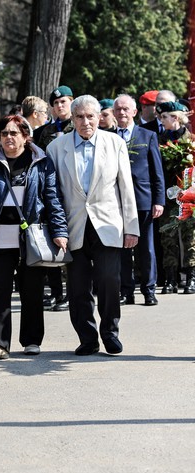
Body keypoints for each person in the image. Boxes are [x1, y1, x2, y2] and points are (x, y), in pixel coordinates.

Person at [0, 115, 68, 359]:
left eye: (14, 133)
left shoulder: (41, 162)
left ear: (25, 136)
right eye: (4, 134)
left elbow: (53, 199)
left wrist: (60, 231)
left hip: (30, 239)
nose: (8, 138)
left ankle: (32, 341)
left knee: (32, 291)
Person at [45, 95, 139, 356]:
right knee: (77, 286)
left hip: (108, 224)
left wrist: (131, 227)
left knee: (110, 280)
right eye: (80, 117)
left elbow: (125, 187)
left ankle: (110, 332)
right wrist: (56, 229)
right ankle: (87, 337)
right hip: (72, 226)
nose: (85, 122)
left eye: (90, 116)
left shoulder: (115, 143)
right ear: (72, 119)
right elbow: (53, 193)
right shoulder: (57, 147)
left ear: (99, 117)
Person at [113, 94, 165, 306]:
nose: (122, 113)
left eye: (126, 109)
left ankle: (149, 290)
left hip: (143, 200)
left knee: (146, 249)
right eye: (118, 109)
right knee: (123, 249)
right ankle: (127, 291)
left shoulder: (147, 135)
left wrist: (159, 200)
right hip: (117, 202)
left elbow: (157, 171)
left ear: (134, 112)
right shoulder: (108, 136)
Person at [34, 86, 75, 312]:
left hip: (72, 189)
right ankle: (56, 292)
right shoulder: (44, 131)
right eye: (56, 103)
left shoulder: (76, 127)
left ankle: (71, 293)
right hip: (50, 190)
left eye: (64, 101)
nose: (60, 106)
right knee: (52, 240)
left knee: (70, 242)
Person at [157, 100, 195, 294]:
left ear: (175, 117)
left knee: (190, 238)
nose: (161, 120)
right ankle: (170, 279)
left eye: (164, 116)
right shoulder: (158, 141)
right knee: (168, 237)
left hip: (189, 196)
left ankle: (191, 277)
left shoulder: (192, 140)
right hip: (167, 196)